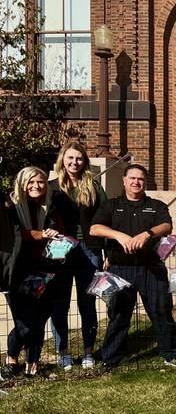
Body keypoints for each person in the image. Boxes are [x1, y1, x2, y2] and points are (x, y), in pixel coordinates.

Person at [90, 164, 176, 369]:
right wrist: (118, 235)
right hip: (120, 268)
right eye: (132, 178)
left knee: (161, 311)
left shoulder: (156, 205)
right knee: (119, 315)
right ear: (124, 181)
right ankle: (110, 360)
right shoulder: (111, 205)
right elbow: (95, 228)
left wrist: (147, 234)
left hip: (150, 267)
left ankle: (171, 354)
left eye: (140, 179)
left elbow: (167, 226)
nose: (136, 182)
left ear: (145, 182)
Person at [3, 166, 72, 377]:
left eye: (40, 182)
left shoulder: (49, 208)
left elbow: (60, 232)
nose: (36, 186)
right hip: (17, 272)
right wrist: (40, 234)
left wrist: (55, 233)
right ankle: (11, 359)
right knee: (24, 324)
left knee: (40, 319)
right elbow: (14, 234)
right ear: (22, 183)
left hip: (46, 271)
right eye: (31, 182)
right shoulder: (10, 207)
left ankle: (33, 364)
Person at [48, 142, 107, 370]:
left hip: (88, 249)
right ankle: (63, 352)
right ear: (63, 159)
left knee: (87, 303)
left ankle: (88, 352)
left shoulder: (93, 187)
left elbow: (105, 216)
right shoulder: (52, 187)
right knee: (59, 304)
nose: (74, 162)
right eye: (70, 158)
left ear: (85, 162)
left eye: (79, 159)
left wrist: (106, 251)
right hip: (61, 250)